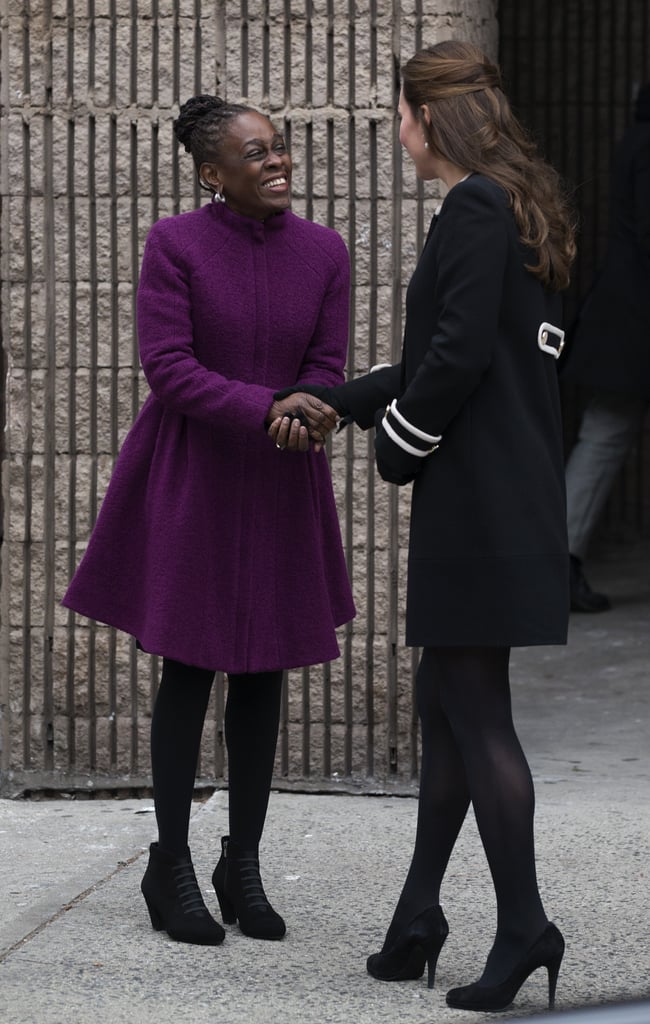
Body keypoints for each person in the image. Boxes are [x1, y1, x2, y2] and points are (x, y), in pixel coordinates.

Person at [273, 40, 576, 1013]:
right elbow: (451, 348)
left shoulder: (475, 206)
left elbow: (448, 361)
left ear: (429, 117)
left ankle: (524, 926)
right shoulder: (508, 205)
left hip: (478, 503)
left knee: (476, 713)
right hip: (500, 498)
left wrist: (394, 444)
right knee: (444, 705)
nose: (395, 131)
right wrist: (335, 396)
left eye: (400, 114)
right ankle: (416, 919)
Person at [62, 95, 355, 946]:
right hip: (193, 475)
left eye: (282, 150)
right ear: (211, 173)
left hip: (279, 478)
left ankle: (245, 865)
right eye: (257, 153)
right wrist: (271, 405)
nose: (278, 164)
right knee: (189, 673)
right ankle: (172, 866)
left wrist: (311, 410)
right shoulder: (176, 244)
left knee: (264, 674)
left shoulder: (325, 251)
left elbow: (326, 364)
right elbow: (169, 367)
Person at [561, 82, 650, 612]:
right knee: (606, 432)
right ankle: (558, 564)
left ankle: (556, 563)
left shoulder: (637, 138)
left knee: (605, 432)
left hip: (628, 320)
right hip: (637, 319)